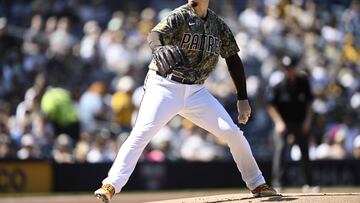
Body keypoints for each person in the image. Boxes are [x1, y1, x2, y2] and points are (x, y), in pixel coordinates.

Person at [94, 0, 278, 202]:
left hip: (197, 91)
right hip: (164, 86)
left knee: (232, 133)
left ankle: (257, 184)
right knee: (141, 133)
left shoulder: (218, 24)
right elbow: (154, 34)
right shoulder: (180, 15)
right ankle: (110, 185)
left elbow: (233, 58)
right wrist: (157, 49)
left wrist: (242, 97)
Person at [267, 55, 318, 192]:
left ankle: (309, 184)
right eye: (286, 68)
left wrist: (308, 121)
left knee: (305, 152)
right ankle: (277, 184)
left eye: (290, 68)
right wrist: (278, 122)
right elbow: (271, 105)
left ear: (295, 68)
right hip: (284, 123)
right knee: (280, 150)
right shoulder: (279, 85)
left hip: (301, 123)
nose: (288, 70)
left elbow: (309, 103)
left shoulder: (303, 82)